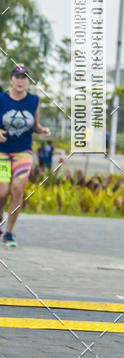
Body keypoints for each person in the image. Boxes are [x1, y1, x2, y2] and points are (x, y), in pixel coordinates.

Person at [0, 65, 51, 246]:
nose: (20, 81)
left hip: (23, 151)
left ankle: (9, 233)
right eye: (17, 77)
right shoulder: (1, 99)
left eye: (24, 78)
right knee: (2, 191)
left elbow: (34, 125)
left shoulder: (34, 100)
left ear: (28, 81)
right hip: (2, 151)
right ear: (11, 80)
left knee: (18, 189)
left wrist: (42, 129)